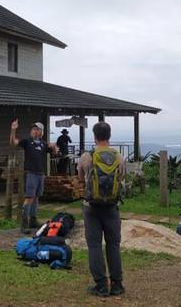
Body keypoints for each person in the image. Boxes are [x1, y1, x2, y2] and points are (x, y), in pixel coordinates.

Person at [77, 121, 126, 297]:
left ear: (94, 136)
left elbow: (81, 178)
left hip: (91, 207)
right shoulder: (119, 157)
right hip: (112, 207)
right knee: (113, 245)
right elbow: (122, 177)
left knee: (95, 245)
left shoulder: (87, 156)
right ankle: (117, 284)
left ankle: (101, 285)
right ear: (109, 136)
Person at [10, 120, 57, 233]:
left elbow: (54, 153)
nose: (34, 131)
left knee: (36, 197)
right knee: (29, 198)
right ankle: (24, 224)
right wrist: (13, 129)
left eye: (37, 129)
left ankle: (33, 220)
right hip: (30, 173)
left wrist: (54, 146)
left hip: (40, 174)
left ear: (41, 132)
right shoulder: (27, 142)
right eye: (33, 129)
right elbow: (13, 142)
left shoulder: (43, 144)